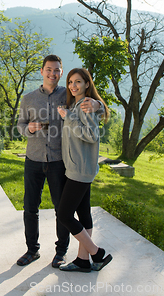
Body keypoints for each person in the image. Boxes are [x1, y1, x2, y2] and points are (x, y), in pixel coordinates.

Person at [16, 56, 100, 268]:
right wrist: (29, 129)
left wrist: (98, 104)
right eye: (49, 70)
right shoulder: (28, 99)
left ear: (61, 73)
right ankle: (32, 250)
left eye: (57, 70)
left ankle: (60, 252)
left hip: (59, 161)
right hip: (33, 160)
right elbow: (20, 124)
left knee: (61, 209)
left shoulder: (69, 94)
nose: (52, 74)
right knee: (30, 208)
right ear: (42, 71)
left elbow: (91, 102)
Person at [56, 67, 112, 272]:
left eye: (78, 82)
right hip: (80, 167)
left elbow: (91, 136)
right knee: (83, 214)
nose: (73, 86)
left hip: (80, 170)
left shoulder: (84, 105)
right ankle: (82, 259)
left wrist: (68, 117)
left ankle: (97, 253)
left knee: (64, 215)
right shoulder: (83, 104)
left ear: (87, 84)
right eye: (70, 82)